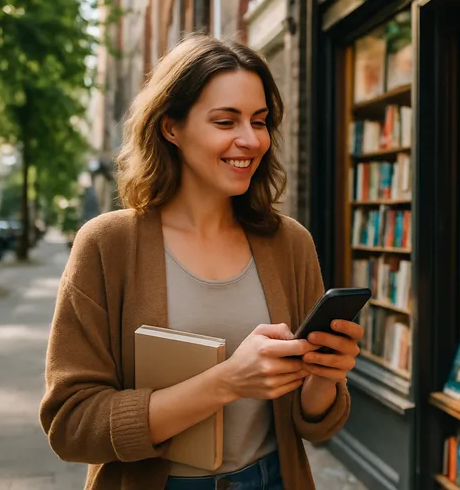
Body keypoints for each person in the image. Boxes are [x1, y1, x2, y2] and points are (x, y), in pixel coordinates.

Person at [39, 33, 362, 490]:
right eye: (226, 121)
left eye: (260, 120)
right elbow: (70, 425)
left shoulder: (291, 243)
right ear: (171, 127)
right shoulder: (107, 244)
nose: (250, 140)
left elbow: (315, 425)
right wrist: (227, 381)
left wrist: (326, 378)